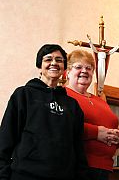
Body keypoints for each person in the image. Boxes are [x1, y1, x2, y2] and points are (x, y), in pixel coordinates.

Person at [0, 44, 89, 180]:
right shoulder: (23, 95)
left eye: (59, 60)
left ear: (64, 69)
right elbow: (5, 139)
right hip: (24, 175)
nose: (54, 63)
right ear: (39, 67)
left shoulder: (73, 105)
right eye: (48, 59)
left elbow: (78, 148)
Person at [65, 49, 119, 180]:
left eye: (89, 68)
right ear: (67, 72)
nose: (85, 71)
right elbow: (65, 126)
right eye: (78, 67)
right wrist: (96, 132)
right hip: (79, 167)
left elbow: (113, 126)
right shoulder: (63, 95)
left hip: (104, 168)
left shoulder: (99, 99)